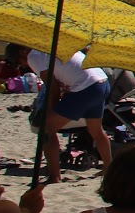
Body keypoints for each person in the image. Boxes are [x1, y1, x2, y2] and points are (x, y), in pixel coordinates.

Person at [11, 44, 111, 182]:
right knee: (96, 130)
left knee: (46, 129)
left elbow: (52, 86)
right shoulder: (47, 48)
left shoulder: (33, 56)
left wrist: (51, 110)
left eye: (19, 62)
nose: (22, 65)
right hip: (102, 81)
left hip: (86, 85)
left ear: (22, 52)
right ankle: (108, 169)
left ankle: (54, 175)